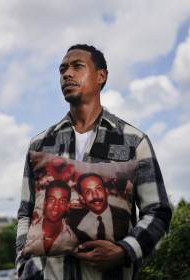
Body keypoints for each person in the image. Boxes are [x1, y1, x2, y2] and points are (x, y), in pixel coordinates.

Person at [16, 44, 172, 280]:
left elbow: (158, 211)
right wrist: (24, 268)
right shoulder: (40, 145)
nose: (67, 74)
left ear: (101, 76)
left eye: (77, 66)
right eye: (62, 69)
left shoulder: (133, 141)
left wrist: (125, 250)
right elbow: (26, 214)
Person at [70, 173, 130, 243]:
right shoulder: (74, 223)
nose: (95, 196)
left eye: (98, 189)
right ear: (82, 198)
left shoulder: (124, 216)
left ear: (106, 191)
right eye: (88, 192)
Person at [23, 180, 78, 256]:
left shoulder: (72, 239)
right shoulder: (28, 229)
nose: (56, 206)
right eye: (51, 200)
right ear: (45, 203)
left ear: (67, 206)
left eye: (62, 201)